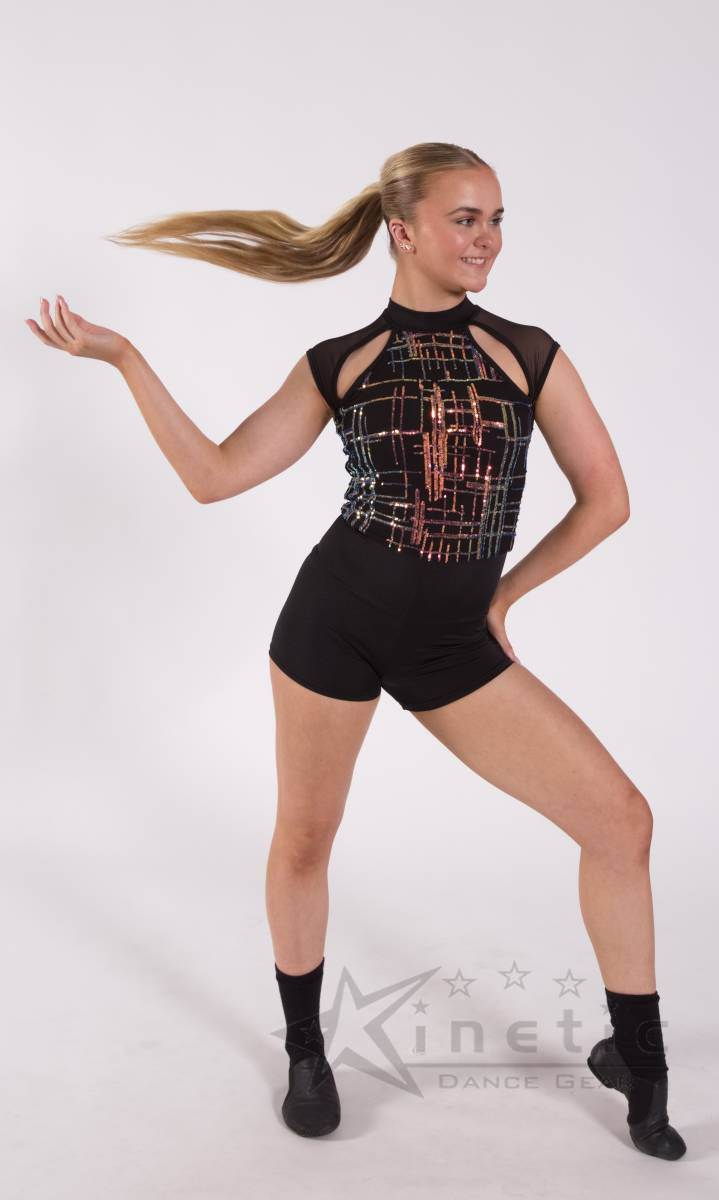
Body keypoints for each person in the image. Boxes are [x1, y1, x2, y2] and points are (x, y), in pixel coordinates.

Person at [25, 141, 687, 1160]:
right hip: (331, 623)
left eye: (496, 219)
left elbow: (607, 502)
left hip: (450, 647)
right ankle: (305, 1053)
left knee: (619, 822)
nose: (486, 239)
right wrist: (125, 361)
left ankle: (638, 1066)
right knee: (303, 840)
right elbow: (213, 476)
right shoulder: (340, 360)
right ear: (404, 231)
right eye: (465, 218)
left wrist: (504, 596)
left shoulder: (527, 354)